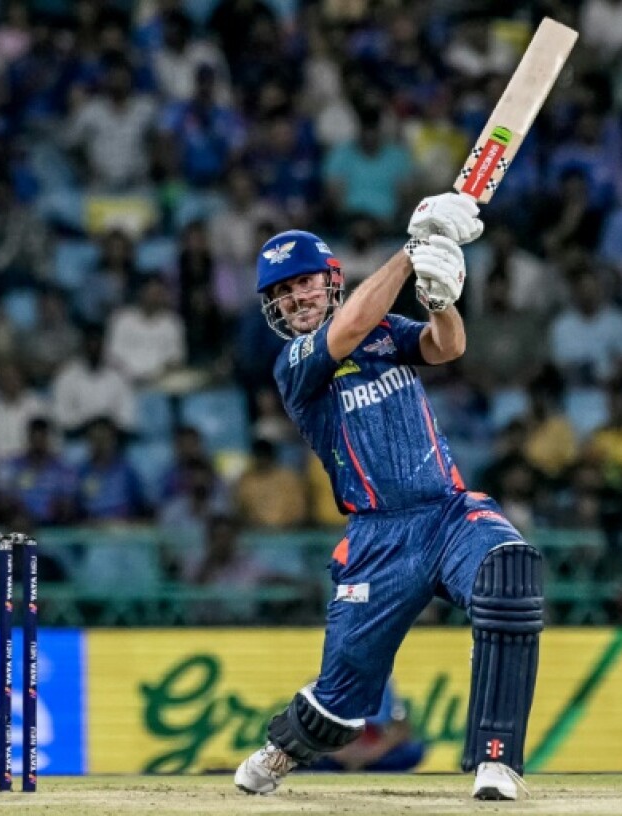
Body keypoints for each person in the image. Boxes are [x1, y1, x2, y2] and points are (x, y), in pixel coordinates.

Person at [234, 193, 541, 802]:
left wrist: (441, 300)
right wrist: (411, 252)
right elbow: (345, 331)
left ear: (331, 282)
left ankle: (496, 760)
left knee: (510, 575)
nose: (297, 299)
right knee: (337, 713)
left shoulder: (382, 332)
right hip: (379, 538)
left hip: (449, 512)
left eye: (306, 285)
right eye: (283, 293)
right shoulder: (294, 364)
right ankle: (281, 748)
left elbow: (446, 346)